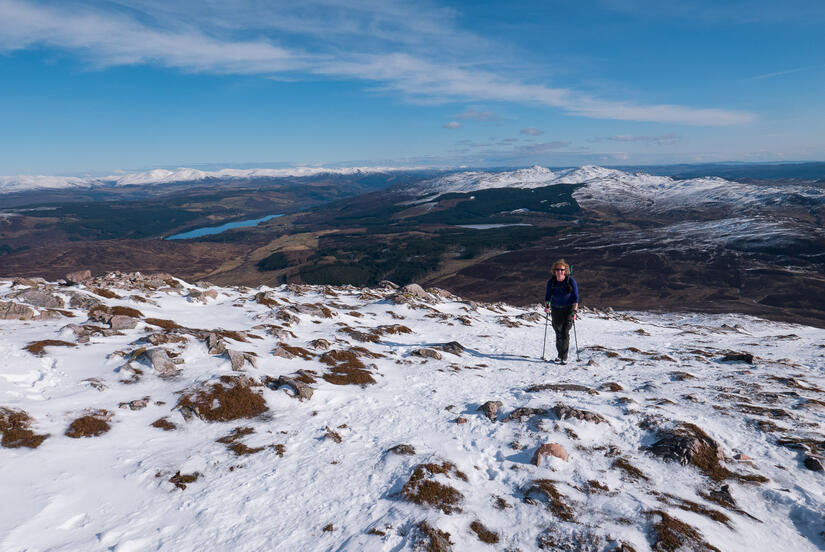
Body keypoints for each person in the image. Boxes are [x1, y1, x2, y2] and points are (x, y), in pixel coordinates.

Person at [544, 259, 579, 364]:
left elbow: (575, 297)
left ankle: (564, 357)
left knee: (565, 332)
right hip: (555, 309)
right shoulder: (551, 282)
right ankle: (560, 355)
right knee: (558, 332)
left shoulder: (571, 281)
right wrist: (547, 306)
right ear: (554, 271)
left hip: (568, 309)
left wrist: (574, 311)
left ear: (565, 271)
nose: (560, 272)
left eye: (562, 270)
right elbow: (547, 296)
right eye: (557, 269)